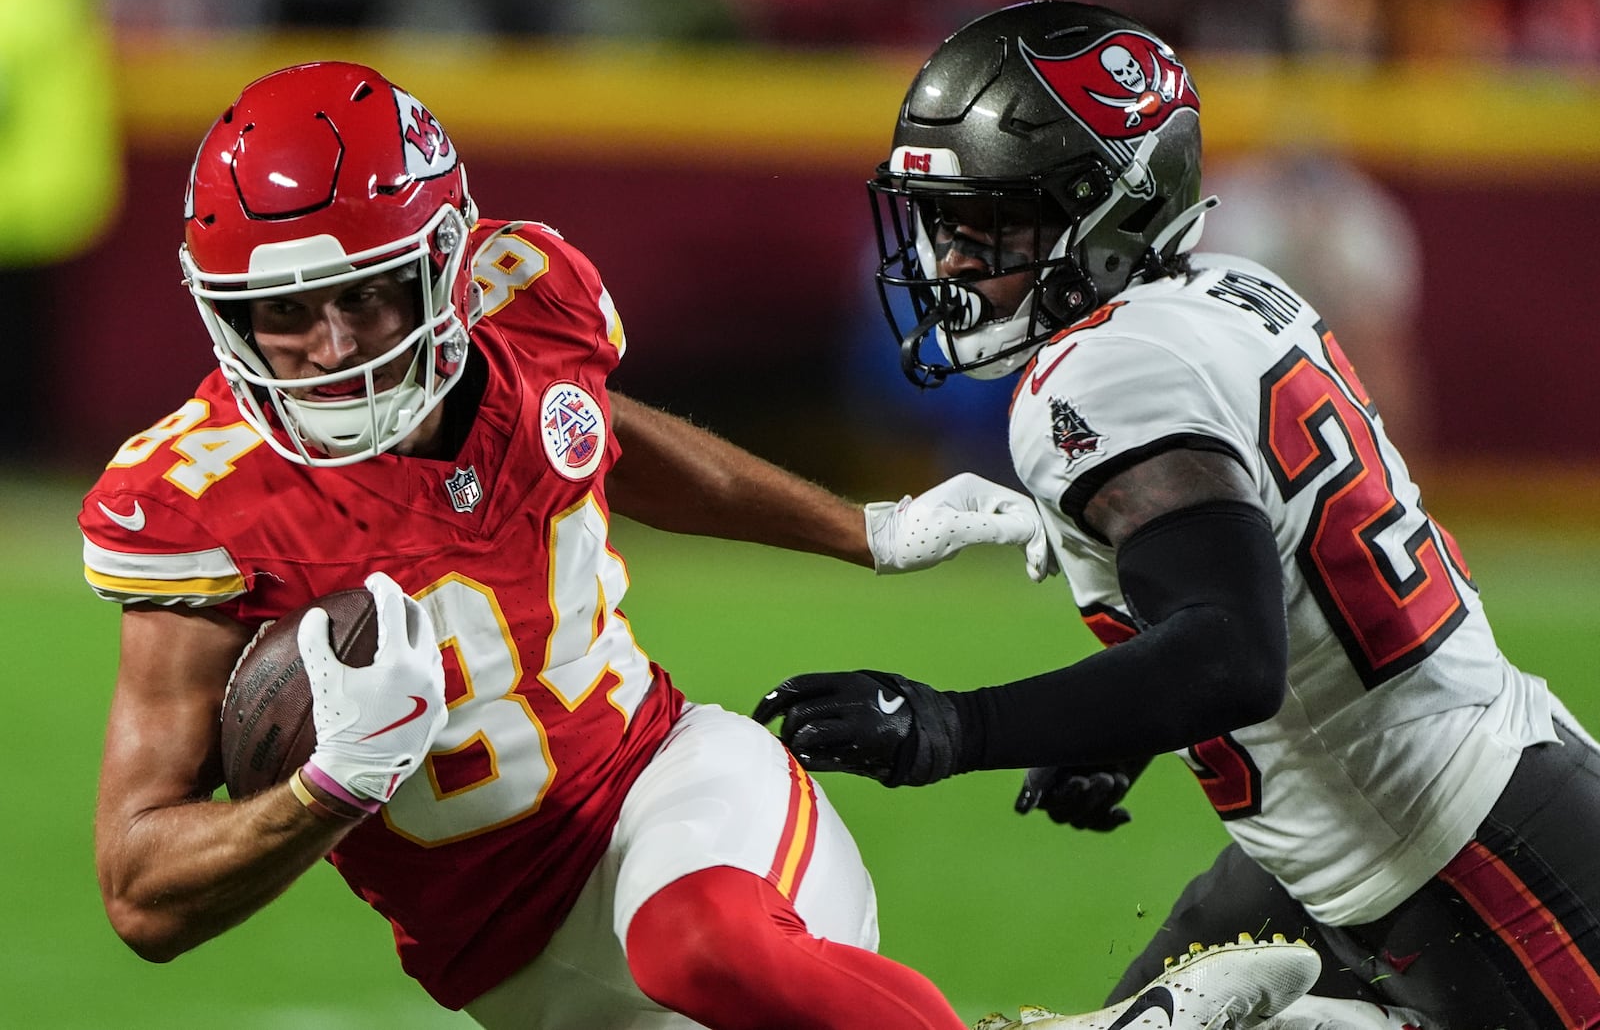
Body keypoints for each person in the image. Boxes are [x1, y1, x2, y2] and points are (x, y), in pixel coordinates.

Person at [78, 61, 1319, 1030]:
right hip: (512, 975)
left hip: (672, 799)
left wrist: (864, 529)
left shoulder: (525, 308)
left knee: (700, 937)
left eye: (367, 294)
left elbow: (597, 436)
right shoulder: (191, 501)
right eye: (284, 315)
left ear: (449, 265)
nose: (334, 346)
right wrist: (324, 791)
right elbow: (141, 890)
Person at [753, 0, 1600, 1030]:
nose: (954, 261)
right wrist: (1126, 726)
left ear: (1108, 213)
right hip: (1394, 811)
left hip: (1462, 848)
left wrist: (952, 724)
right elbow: (1269, 588)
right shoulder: (1233, 289)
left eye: (995, 222)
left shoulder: (1101, 369)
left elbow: (1231, 652)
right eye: (945, 222)